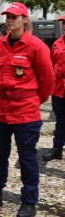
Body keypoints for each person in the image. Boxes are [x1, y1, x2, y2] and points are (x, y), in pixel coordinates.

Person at [0, 3, 54, 217]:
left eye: (14, 17)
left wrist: (36, 100)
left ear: (25, 20)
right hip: (1, 107)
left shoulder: (36, 46)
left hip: (25, 109)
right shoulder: (0, 44)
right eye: (8, 16)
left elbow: (47, 81)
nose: (10, 20)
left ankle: (29, 201)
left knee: (27, 157)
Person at [45, 15, 65, 162]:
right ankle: (57, 149)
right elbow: (52, 64)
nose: (64, 26)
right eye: (63, 23)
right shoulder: (57, 43)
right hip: (59, 88)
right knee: (60, 120)